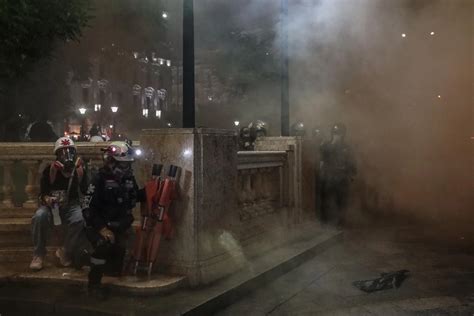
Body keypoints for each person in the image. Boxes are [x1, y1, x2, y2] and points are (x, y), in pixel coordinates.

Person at [82, 141, 144, 295]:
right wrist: (102, 229)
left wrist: (155, 188)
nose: (127, 168)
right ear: (111, 162)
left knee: (116, 268)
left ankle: (101, 265)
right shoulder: (99, 179)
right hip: (99, 226)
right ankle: (93, 283)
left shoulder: (128, 179)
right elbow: (87, 208)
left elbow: (135, 196)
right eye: (123, 165)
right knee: (104, 245)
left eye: (128, 165)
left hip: (119, 226)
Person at [30, 137, 89, 270]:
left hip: (71, 205)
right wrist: (48, 199)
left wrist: (82, 173)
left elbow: (86, 190)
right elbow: (43, 193)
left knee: (80, 220)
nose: (67, 155)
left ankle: (65, 251)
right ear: (57, 155)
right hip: (52, 207)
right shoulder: (49, 170)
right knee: (39, 216)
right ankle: (38, 254)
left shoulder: (79, 170)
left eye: (70, 152)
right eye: (62, 152)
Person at [319, 123, 356, 226]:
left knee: (342, 200)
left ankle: (341, 222)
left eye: (339, 134)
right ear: (332, 134)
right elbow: (322, 161)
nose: (337, 136)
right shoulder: (326, 146)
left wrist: (352, 175)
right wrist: (322, 174)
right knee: (326, 199)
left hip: (342, 177)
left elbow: (352, 162)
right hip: (329, 176)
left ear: (343, 135)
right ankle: (325, 222)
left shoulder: (347, 147)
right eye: (335, 133)